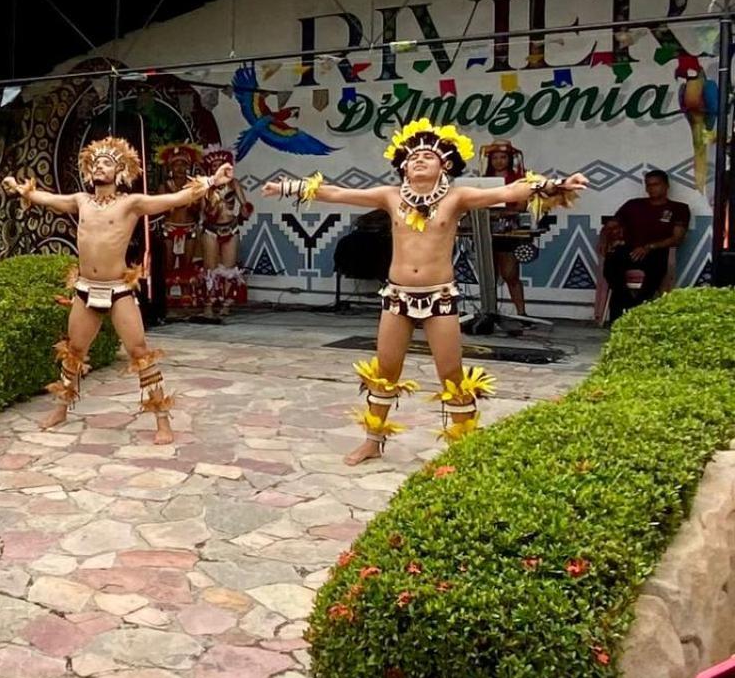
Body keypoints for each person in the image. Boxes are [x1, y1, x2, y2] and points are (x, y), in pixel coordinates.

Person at [262, 119, 586, 465]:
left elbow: (508, 192)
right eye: (412, 156)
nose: (418, 160)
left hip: (439, 297)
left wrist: (556, 185)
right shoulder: (390, 196)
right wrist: (287, 187)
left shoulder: (457, 197)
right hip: (397, 297)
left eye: (427, 156)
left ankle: (463, 449)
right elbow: (338, 193)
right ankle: (372, 441)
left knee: (451, 374)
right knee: (385, 371)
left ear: (444, 164)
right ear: (402, 164)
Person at [2, 136, 231, 445]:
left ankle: (162, 420)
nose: (99, 166)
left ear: (120, 170)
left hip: (118, 290)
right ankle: (61, 408)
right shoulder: (80, 201)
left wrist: (211, 181)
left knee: (139, 353)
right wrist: (20, 188)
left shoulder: (131, 204)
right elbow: (48, 199)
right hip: (85, 289)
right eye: (95, 162)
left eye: (107, 163)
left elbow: (174, 200)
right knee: (75, 351)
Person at [603, 169, 690, 324]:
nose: (651, 189)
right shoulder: (633, 205)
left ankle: (637, 309)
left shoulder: (679, 208)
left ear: (666, 186)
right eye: (648, 185)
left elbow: (677, 238)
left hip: (656, 251)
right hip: (629, 250)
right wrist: (603, 240)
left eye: (656, 184)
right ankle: (620, 313)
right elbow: (610, 225)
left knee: (654, 274)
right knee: (612, 266)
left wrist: (649, 247)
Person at [199, 143, 252, 319]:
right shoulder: (206, 188)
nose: (217, 169)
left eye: (220, 166)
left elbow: (245, 206)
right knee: (210, 270)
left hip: (231, 228)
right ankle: (208, 305)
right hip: (211, 230)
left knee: (229, 269)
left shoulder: (234, 183)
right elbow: (205, 213)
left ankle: (226, 304)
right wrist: (215, 203)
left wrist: (244, 211)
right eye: (214, 167)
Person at [154, 143, 207, 318]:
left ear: (188, 166)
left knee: (187, 265)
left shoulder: (194, 185)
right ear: (170, 167)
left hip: (189, 228)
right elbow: (161, 209)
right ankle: (167, 302)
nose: (180, 168)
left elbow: (198, 210)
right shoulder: (164, 187)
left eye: (183, 164)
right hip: (170, 228)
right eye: (176, 164)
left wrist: (192, 202)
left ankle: (186, 301)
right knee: (168, 264)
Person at [480, 141, 530, 321]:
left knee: (510, 274)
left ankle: (521, 313)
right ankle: (488, 312)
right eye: (495, 158)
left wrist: (502, 212)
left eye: (503, 157)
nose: (499, 161)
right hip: (485, 230)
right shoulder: (482, 181)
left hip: (508, 230)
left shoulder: (518, 179)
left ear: (509, 159)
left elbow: (521, 206)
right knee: (488, 275)